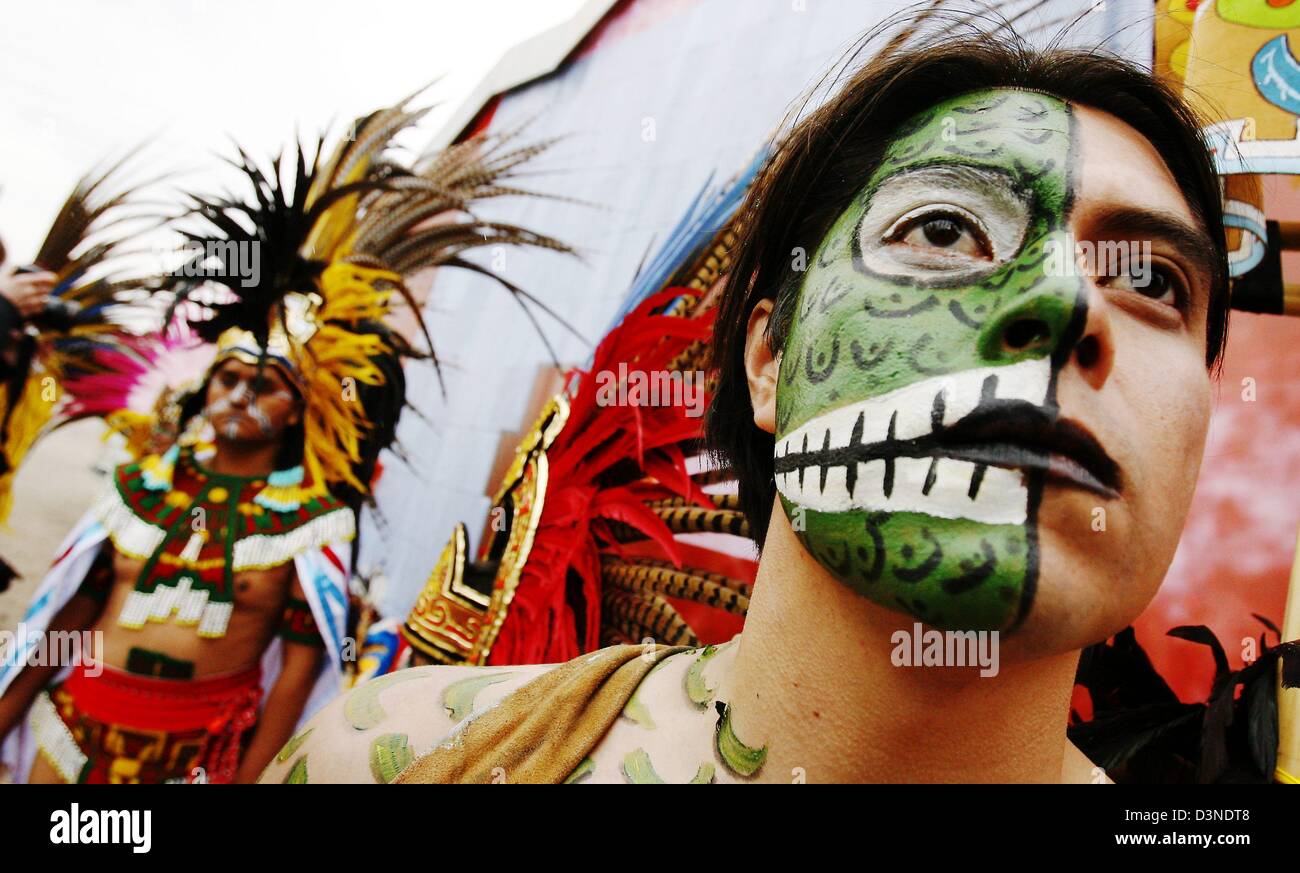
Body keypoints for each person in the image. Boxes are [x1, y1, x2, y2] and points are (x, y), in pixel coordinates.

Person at [258, 29, 1231, 784]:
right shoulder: (400, 760)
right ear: (768, 356)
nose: (1063, 303)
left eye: (1149, 278)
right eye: (944, 228)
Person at [0, 95, 569, 783]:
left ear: (301, 409)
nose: (241, 394)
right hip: (71, 742)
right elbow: (60, 622)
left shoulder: (310, 527)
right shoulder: (135, 494)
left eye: (266, 383)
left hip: (199, 760)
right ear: (204, 389)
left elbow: (299, 675)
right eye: (229, 377)